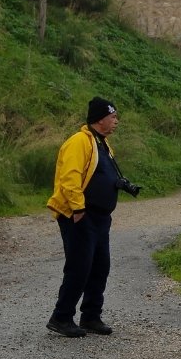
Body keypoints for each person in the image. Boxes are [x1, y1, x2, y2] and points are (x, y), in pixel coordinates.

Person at [45, 97, 127, 338]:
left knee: (100, 267)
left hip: (101, 218)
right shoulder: (78, 142)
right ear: (100, 118)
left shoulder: (102, 144)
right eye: (113, 117)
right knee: (79, 267)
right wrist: (79, 210)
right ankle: (61, 317)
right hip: (81, 216)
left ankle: (91, 316)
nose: (116, 122)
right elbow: (69, 178)